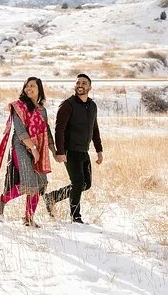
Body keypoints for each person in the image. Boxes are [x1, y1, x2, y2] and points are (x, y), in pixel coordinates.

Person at [0, 77, 55, 227]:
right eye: (27, 86)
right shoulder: (18, 106)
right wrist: (33, 149)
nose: (29, 89)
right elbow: (21, 132)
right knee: (29, 181)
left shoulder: (42, 110)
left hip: (38, 148)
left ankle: (28, 218)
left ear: (39, 89)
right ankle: (1, 201)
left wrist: (53, 150)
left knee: (40, 182)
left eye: (32, 86)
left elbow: (46, 131)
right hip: (21, 147)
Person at [43, 73, 103, 224]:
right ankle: (76, 217)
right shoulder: (68, 105)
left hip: (83, 150)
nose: (80, 85)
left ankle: (52, 197)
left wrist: (99, 150)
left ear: (90, 87)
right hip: (70, 150)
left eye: (84, 83)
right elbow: (59, 129)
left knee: (86, 184)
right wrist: (60, 151)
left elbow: (94, 129)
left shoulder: (92, 106)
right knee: (78, 183)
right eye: (78, 83)